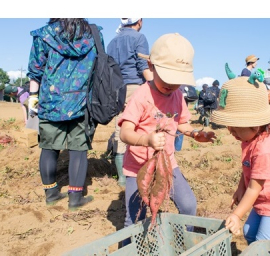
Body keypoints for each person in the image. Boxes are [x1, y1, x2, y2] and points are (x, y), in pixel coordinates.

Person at [118, 33, 216, 235]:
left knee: (188, 205)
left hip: (168, 164)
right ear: (152, 67)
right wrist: (146, 139)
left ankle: (185, 241)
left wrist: (195, 133)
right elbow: (125, 133)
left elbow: (181, 123)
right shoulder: (142, 95)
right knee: (134, 219)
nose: (172, 86)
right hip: (138, 167)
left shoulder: (177, 95)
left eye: (177, 81)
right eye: (168, 79)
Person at [211, 76, 270, 244]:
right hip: (265, 199)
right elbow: (248, 167)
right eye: (230, 127)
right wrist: (240, 187)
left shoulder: (264, 150)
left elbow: (255, 187)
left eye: (236, 128)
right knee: (249, 233)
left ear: (256, 124)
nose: (232, 132)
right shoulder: (249, 139)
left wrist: (237, 215)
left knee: (262, 245)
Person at [26, 18, 104, 209]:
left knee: (49, 148)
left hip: (51, 101)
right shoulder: (94, 33)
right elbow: (99, 67)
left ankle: (51, 194)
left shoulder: (44, 34)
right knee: (79, 150)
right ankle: (75, 199)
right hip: (82, 101)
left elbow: (35, 71)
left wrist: (33, 99)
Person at [107, 18, 153, 187]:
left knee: (120, 128)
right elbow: (143, 66)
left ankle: (121, 177)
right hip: (135, 87)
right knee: (141, 128)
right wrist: (154, 86)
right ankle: (137, 171)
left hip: (117, 89)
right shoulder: (139, 38)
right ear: (139, 21)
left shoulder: (112, 41)